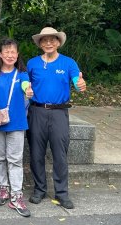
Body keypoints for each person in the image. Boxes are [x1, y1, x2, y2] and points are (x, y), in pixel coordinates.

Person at [26, 27, 87, 210]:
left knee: (60, 154)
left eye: (52, 40)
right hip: (36, 111)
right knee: (36, 153)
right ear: (40, 44)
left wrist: (80, 84)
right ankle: (39, 189)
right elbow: (25, 84)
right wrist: (25, 90)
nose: (48, 43)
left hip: (59, 112)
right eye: (44, 40)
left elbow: (77, 81)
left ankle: (62, 193)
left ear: (58, 42)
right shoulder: (32, 64)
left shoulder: (68, 63)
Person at [0, 38, 33, 217]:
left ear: (17, 54)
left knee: (14, 159)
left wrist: (28, 90)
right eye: (7, 52)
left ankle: (16, 195)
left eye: (13, 52)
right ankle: (3, 188)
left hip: (17, 122)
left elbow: (25, 86)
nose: (10, 55)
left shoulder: (21, 73)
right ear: (0, 54)